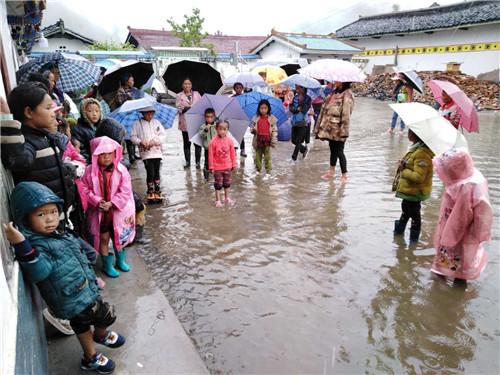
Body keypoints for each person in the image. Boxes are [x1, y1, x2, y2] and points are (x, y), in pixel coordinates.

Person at [4, 181, 125, 373]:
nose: (50, 219)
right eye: (41, 214)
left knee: (104, 313)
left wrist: (88, 258)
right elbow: (39, 272)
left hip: (86, 287)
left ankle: (100, 335)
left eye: (53, 212)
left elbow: (77, 251)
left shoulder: (58, 233)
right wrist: (22, 245)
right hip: (70, 298)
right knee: (83, 326)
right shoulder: (36, 245)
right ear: (25, 219)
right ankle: (90, 357)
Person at [1, 83, 75, 208]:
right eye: (48, 108)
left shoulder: (43, 136)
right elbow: (19, 160)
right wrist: (7, 120)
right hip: (43, 217)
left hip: (57, 214)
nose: (53, 113)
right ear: (29, 112)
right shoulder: (27, 141)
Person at [431, 149, 493, 281]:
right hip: (466, 232)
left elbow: (460, 218)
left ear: (453, 170)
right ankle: (457, 289)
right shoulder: (473, 177)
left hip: (455, 232)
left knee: (448, 262)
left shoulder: (464, 187)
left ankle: (441, 287)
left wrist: (448, 239)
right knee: (462, 262)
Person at [81, 136, 135, 278]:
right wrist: (97, 201)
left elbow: (126, 190)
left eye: (109, 153)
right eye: (102, 154)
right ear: (95, 155)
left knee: (119, 237)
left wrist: (112, 203)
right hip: (100, 213)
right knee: (104, 238)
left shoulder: (121, 170)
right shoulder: (89, 171)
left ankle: (120, 260)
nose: (106, 157)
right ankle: (107, 265)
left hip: (117, 212)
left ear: (115, 153)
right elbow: (84, 188)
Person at [393, 129, 434, 243]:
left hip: (414, 193)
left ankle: (413, 244)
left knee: (415, 217)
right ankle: (398, 238)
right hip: (409, 192)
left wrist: (403, 170)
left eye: (410, 132)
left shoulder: (422, 153)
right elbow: (413, 166)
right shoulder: (415, 149)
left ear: (416, 135)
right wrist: (405, 163)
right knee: (405, 212)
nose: (408, 134)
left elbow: (418, 177)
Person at [315, 81, 354, 183]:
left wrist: (343, 131)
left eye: (337, 80)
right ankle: (331, 172)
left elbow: (346, 115)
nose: (334, 81)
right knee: (332, 150)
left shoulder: (347, 94)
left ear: (343, 81)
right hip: (330, 127)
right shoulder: (334, 92)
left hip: (339, 128)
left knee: (340, 151)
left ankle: (344, 175)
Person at [131, 106, 166, 203]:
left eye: (151, 113)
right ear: (142, 113)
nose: (150, 115)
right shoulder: (137, 124)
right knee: (150, 172)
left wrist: (154, 141)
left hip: (157, 152)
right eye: (147, 113)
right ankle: (150, 190)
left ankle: (157, 189)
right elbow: (133, 137)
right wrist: (141, 142)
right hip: (146, 154)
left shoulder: (157, 123)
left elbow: (163, 135)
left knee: (157, 171)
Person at [208, 120, 237, 207]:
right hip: (217, 168)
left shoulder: (230, 141)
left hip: (228, 166)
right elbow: (210, 156)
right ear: (216, 129)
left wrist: (234, 164)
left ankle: (227, 198)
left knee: (227, 183)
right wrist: (211, 167)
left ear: (228, 130)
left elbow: (232, 153)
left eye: (225, 129)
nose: (222, 131)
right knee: (218, 184)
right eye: (220, 129)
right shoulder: (213, 142)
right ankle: (218, 200)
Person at [176, 78, 202, 169]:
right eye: (185, 84)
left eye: (189, 84)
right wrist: (187, 108)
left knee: (197, 143)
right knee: (186, 143)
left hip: (196, 122)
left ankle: (198, 162)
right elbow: (178, 109)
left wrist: (194, 107)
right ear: (182, 85)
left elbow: (202, 106)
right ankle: (187, 162)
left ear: (191, 85)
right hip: (185, 123)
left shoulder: (197, 94)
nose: (187, 85)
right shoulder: (179, 96)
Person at [250, 99, 278, 178]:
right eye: (261, 108)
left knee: (267, 157)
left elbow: (274, 130)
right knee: (258, 156)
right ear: (259, 109)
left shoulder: (271, 118)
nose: (263, 110)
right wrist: (253, 130)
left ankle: (268, 171)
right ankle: (258, 170)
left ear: (268, 108)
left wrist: (274, 140)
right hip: (258, 140)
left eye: (265, 108)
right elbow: (251, 129)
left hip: (267, 140)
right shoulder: (256, 118)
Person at [73, 98, 102, 164]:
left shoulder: (101, 127)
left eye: (97, 111)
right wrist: (91, 162)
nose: (94, 114)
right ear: (83, 112)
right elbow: (82, 151)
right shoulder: (78, 129)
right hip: (91, 163)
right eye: (90, 111)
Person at [289, 85, 312, 161]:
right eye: (296, 87)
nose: (296, 89)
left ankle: (294, 158)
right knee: (293, 140)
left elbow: (304, 110)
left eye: (298, 87)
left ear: (303, 88)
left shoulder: (308, 98)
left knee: (298, 140)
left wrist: (301, 103)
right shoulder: (295, 97)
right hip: (295, 122)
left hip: (303, 122)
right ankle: (304, 149)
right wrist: (296, 109)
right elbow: (291, 109)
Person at [199, 107, 217, 181]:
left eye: (211, 117)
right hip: (207, 148)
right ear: (205, 117)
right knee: (207, 162)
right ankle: (206, 178)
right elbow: (201, 135)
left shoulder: (217, 126)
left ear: (214, 117)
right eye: (207, 117)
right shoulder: (203, 126)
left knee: (216, 162)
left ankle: (216, 175)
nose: (209, 119)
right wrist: (205, 130)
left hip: (216, 148)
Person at [231, 82, 247, 157]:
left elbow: (246, 107)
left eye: (240, 88)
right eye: (237, 88)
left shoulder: (244, 97)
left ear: (242, 89)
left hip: (242, 118)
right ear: (234, 89)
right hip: (234, 118)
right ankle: (234, 149)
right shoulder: (232, 98)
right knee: (233, 135)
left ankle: (242, 150)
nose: (239, 89)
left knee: (241, 135)